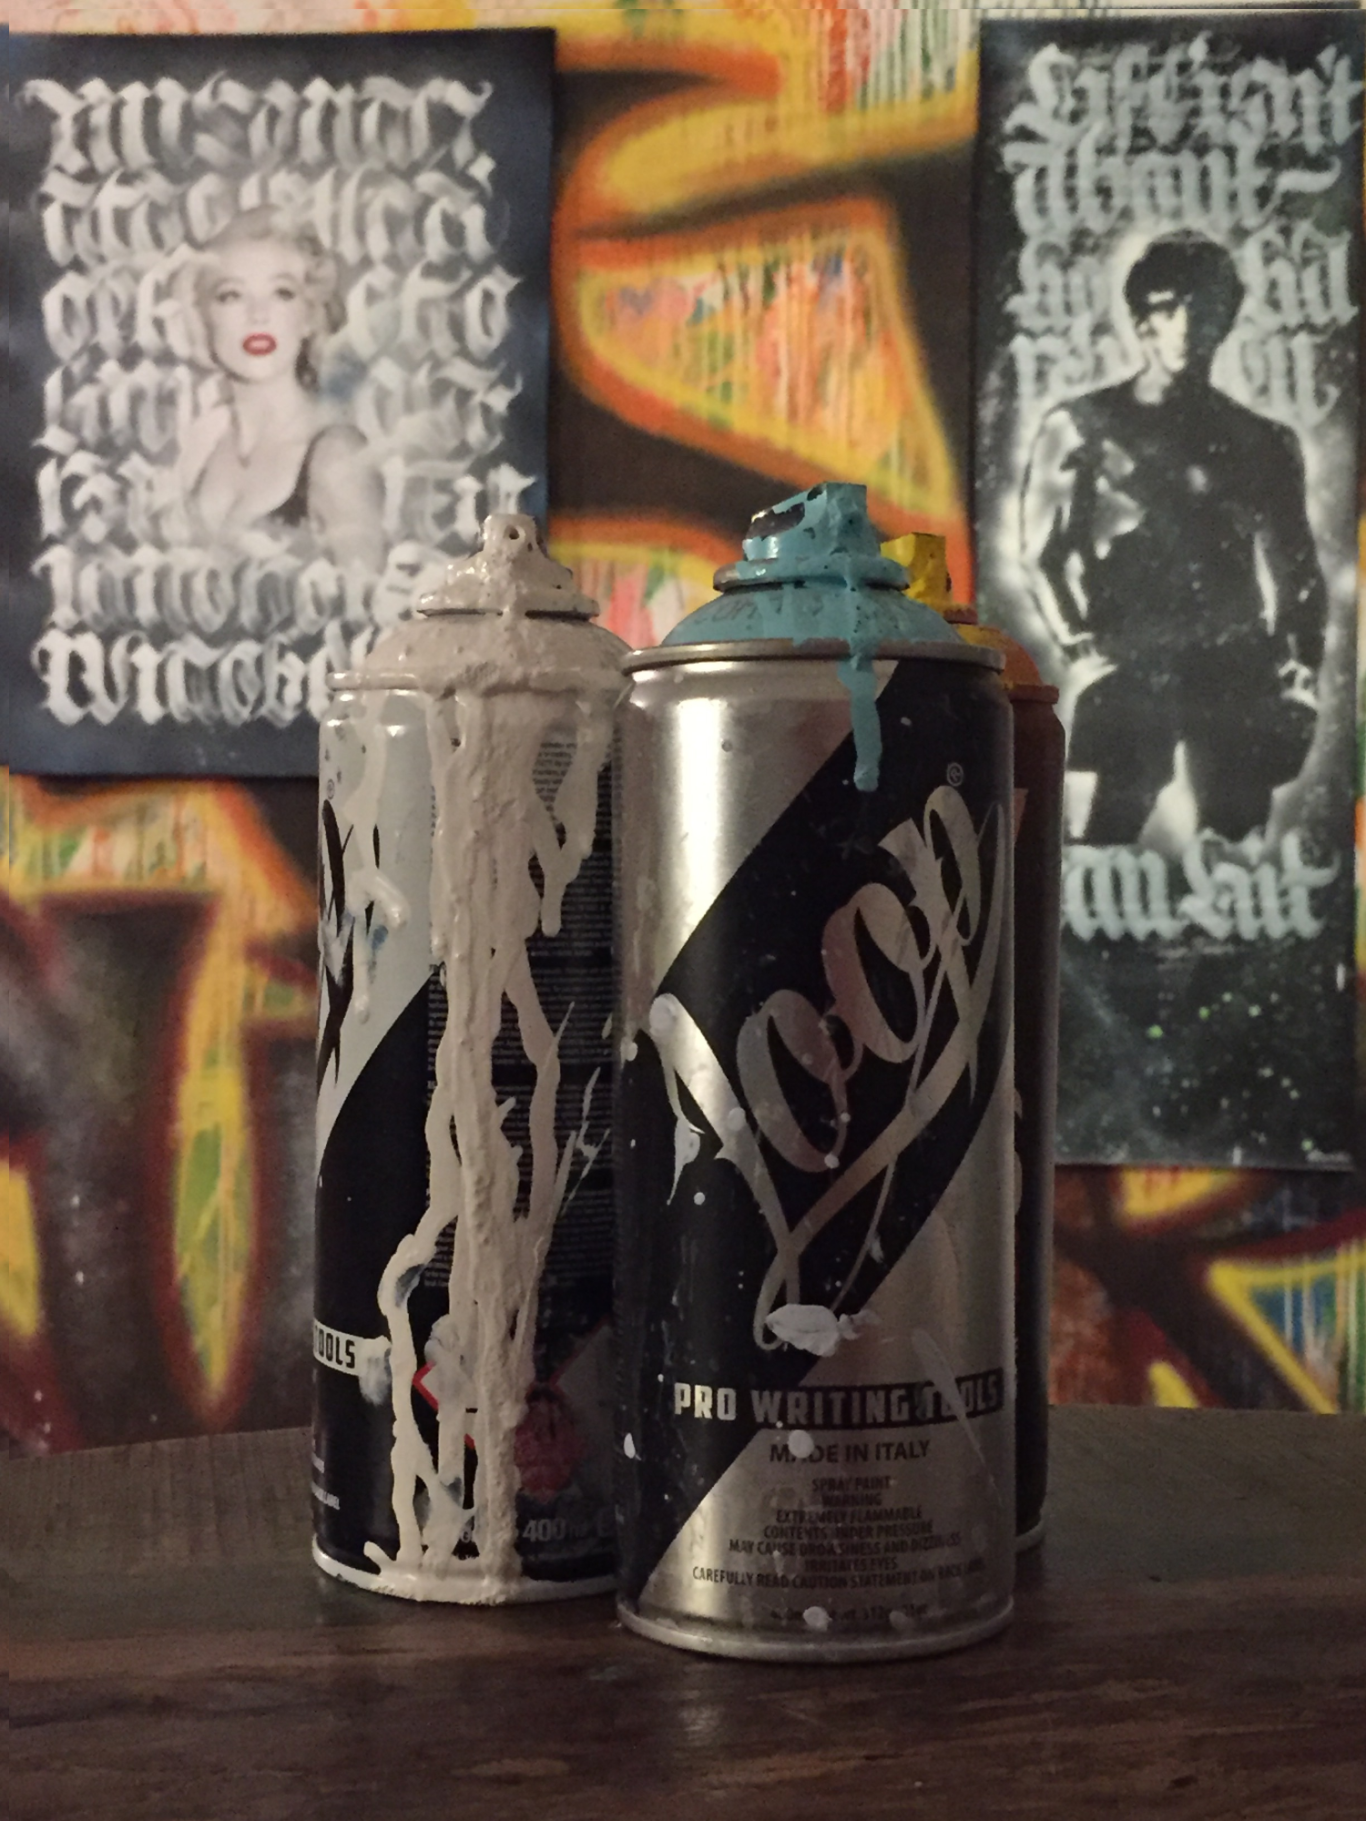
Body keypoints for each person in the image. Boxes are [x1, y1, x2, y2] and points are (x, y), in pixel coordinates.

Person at [1019, 231, 1326, 847]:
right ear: (1141, 319)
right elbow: (1043, 555)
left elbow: (1297, 569)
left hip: (1235, 669)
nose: (1185, 325)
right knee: (1100, 844)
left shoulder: (1263, 442)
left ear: (1226, 316)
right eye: (1166, 307)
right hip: (1129, 661)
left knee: (1236, 850)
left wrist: (1300, 670)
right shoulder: (1082, 427)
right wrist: (1080, 645)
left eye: (1202, 306)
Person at [178, 208, 385, 571]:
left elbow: (370, 604)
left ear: (310, 316)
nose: (258, 314)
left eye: (282, 293)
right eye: (231, 295)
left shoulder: (337, 458)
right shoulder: (203, 443)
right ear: (205, 317)